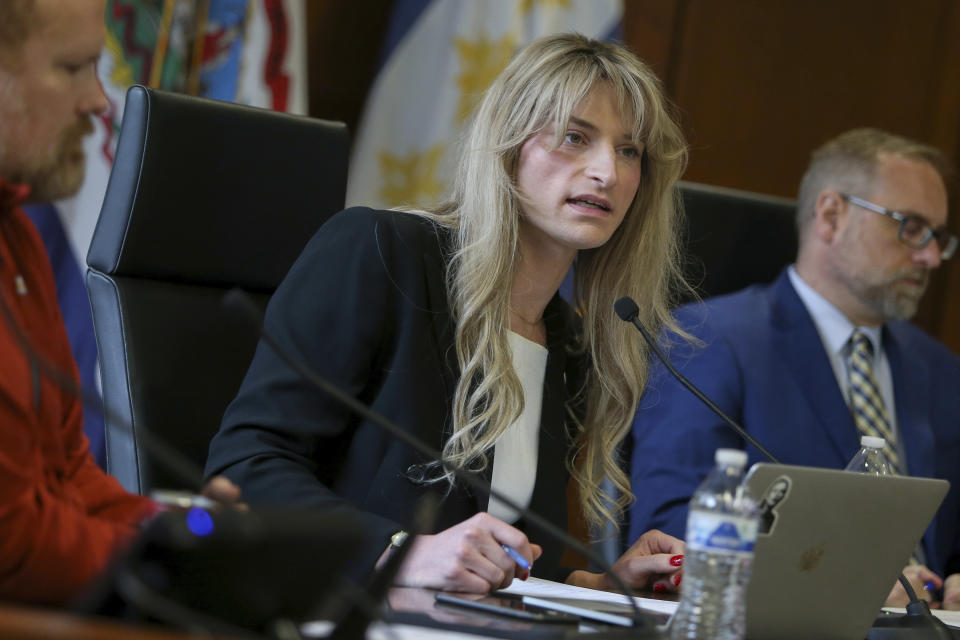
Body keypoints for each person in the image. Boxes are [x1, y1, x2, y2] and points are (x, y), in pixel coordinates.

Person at [206, 33, 689, 594]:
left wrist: (597, 586)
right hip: (326, 611)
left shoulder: (570, 344)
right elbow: (246, 467)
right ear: (507, 148)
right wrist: (397, 553)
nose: (606, 171)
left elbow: (497, 556)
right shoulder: (381, 253)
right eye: (574, 137)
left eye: (629, 150)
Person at [629, 128, 960, 609]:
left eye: (940, 237)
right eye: (910, 227)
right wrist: (846, 583)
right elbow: (673, 529)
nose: (930, 256)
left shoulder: (942, 370)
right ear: (831, 215)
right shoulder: (708, 340)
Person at [0, 0, 239, 606]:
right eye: (74, 67)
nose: (99, 102)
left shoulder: (16, 235)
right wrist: (172, 561)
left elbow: (67, 475)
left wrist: (182, 532)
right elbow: (13, 546)